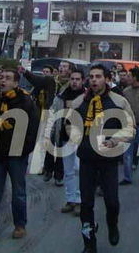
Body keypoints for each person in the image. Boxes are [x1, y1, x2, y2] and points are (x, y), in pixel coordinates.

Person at [70, 64, 134, 253]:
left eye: (98, 76)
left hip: (109, 159)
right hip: (87, 159)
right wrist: (77, 138)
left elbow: (130, 128)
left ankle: (112, 224)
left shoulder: (119, 102)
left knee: (112, 201)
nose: (94, 80)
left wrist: (116, 140)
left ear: (106, 79)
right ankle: (89, 242)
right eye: (91, 77)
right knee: (86, 204)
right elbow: (69, 125)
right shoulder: (79, 102)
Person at [0, 69, 39, 244]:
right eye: (1, 78)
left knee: (18, 191)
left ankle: (20, 224)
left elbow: (32, 128)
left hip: (17, 153)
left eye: (8, 79)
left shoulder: (25, 101)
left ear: (16, 83)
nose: (3, 81)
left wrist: (25, 149)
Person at [48, 69, 86, 216]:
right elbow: (53, 113)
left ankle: (79, 200)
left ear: (83, 80)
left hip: (81, 138)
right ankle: (70, 199)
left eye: (77, 79)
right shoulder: (61, 97)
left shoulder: (87, 96)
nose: (74, 81)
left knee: (78, 169)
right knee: (68, 171)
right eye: (72, 79)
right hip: (64, 136)